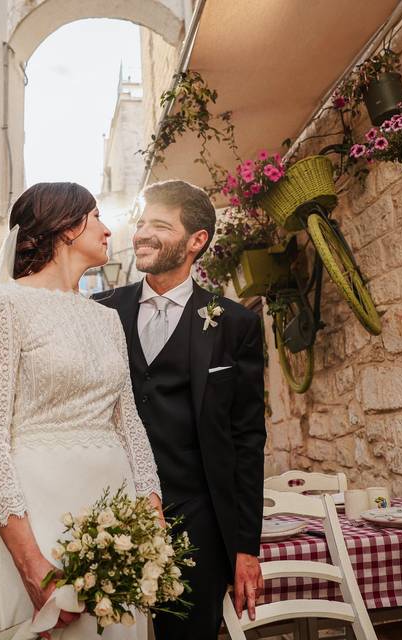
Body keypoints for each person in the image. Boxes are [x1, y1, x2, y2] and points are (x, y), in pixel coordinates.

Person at [0, 182, 163, 640]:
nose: (109, 230)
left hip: (115, 503)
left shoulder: (106, 318)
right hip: (42, 505)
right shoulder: (4, 306)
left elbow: (128, 422)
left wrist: (151, 511)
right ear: (67, 227)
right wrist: (30, 561)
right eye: (96, 217)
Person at [92, 180, 266, 640]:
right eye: (141, 223)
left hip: (197, 517)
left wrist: (246, 546)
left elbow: (247, 438)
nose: (142, 234)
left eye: (160, 226)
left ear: (197, 241)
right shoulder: (100, 311)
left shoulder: (236, 325)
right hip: (107, 507)